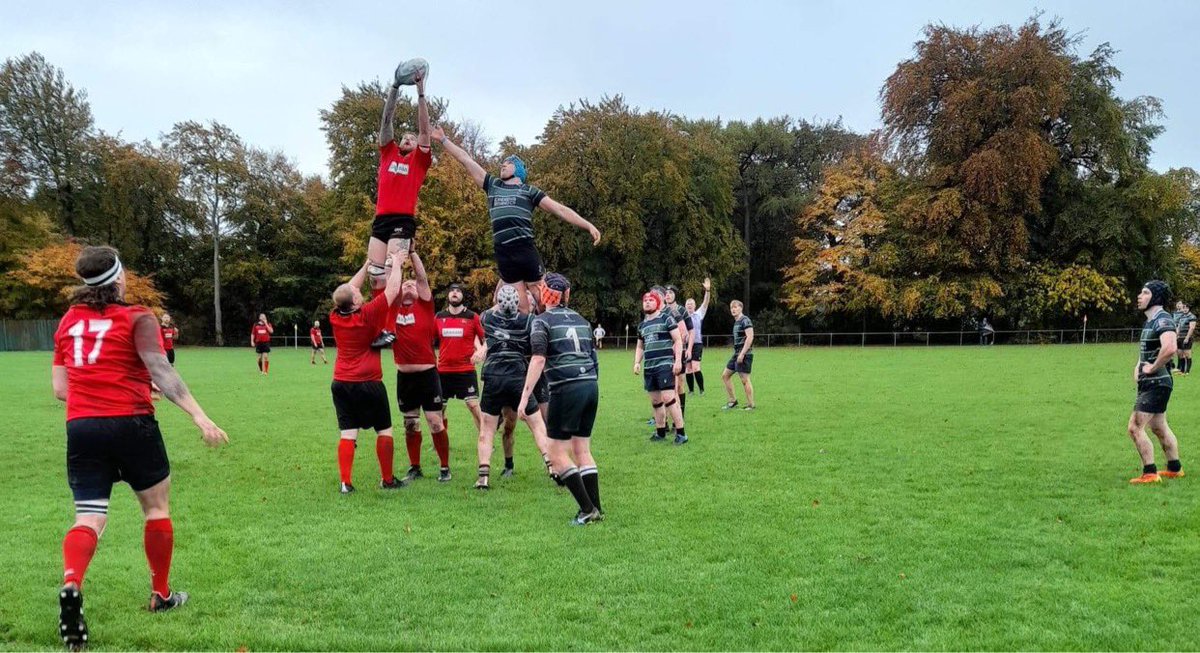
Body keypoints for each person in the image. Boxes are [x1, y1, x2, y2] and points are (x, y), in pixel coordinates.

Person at [51, 246, 229, 650]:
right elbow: (161, 369)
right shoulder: (137, 315)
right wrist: (200, 417)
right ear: (117, 278)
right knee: (156, 509)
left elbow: (61, 389)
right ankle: (161, 595)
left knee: (89, 516)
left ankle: (72, 582)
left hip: (82, 428)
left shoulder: (67, 322)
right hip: (132, 424)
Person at [432, 125, 601, 307]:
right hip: (503, 252)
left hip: (524, 249)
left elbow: (559, 210)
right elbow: (465, 159)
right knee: (520, 305)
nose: (502, 164)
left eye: (508, 162)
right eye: (502, 162)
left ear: (519, 169)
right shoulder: (493, 185)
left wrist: (588, 225)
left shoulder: (528, 191)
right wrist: (444, 140)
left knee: (539, 294)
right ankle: (525, 333)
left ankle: (550, 327)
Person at [519, 273, 602, 526]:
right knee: (581, 449)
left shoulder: (541, 321)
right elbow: (593, 359)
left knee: (555, 453)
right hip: (590, 386)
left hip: (566, 389)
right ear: (566, 295)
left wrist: (524, 399)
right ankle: (596, 509)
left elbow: (538, 359)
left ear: (545, 294)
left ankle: (586, 509)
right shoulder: (582, 320)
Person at [329, 253, 407, 494]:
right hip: (368, 382)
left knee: (347, 432)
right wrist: (398, 264)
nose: (359, 292)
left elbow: (348, 288)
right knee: (384, 429)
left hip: (341, 382)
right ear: (354, 302)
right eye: (357, 294)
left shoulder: (334, 316)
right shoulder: (366, 314)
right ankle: (387, 480)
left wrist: (366, 265)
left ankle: (345, 483)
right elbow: (393, 290)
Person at [474, 285, 553, 490]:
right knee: (536, 424)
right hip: (517, 376)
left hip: (492, 377)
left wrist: (503, 285)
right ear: (518, 303)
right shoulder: (528, 321)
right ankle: (551, 465)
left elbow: (491, 310)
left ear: (498, 302)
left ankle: (483, 476)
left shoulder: (487, 318)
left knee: (487, 429)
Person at [389, 250, 451, 482]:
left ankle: (445, 467)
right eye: (405, 284)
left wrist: (413, 253)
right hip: (404, 377)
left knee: (435, 422)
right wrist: (395, 262)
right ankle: (415, 467)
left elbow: (422, 279)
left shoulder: (425, 307)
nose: (409, 286)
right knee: (410, 424)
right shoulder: (392, 308)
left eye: (412, 285)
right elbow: (391, 283)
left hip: (427, 374)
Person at [368, 65, 430, 290]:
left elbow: (424, 131)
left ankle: (390, 324)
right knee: (375, 276)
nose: (407, 138)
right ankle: (379, 318)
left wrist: (420, 93)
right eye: (404, 136)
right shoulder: (388, 152)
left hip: (402, 220)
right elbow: (386, 121)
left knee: (392, 267)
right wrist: (395, 87)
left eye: (411, 138)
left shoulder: (419, 161)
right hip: (381, 219)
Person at [1127, 281, 1185, 484]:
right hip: (1152, 383)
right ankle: (1174, 468)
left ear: (1156, 297)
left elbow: (1169, 348)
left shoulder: (1163, 320)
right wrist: (1138, 366)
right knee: (1159, 426)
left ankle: (1150, 473)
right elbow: (1148, 350)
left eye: (1145, 293)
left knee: (1135, 427)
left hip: (1157, 383)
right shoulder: (1151, 321)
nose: (1139, 296)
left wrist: (1151, 368)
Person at [634, 291, 687, 445]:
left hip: (664, 364)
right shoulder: (642, 325)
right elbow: (640, 346)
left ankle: (681, 433)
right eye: (645, 300)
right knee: (656, 401)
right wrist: (637, 362)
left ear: (657, 303)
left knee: (669, 398)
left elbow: (678, 340)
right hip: (649, 367)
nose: (647, 302)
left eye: (651, 300)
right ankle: (660, 432)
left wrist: (678, 361)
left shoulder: (666, 318)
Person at [435, 283, 485, 447]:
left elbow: (486, 341)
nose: (455, 293)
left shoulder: (472, 317)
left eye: (458, 291)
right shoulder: (439, 317)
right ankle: (441, 443)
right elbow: (428, 341)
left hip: (465, 370)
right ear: (448, 296)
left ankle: (485, 439)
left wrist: (480, 351)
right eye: (452, 291)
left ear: (463, 296)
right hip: (443, 371)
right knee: (439, 409)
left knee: (473, 405)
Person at [663, 284, 693, 418]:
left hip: (680, 351)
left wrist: (689, 349)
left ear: (675, 295)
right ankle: (665, 416)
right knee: (667, 385)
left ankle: (680, 414)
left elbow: (690, 331)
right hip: (665, 352)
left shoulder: (681, 310)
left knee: (679, 384)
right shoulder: (661, 311)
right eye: (666, 293)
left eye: (670, 293)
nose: (668, 295)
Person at [722, 300, 756, 410]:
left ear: (741, 308)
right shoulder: (736, 322)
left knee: (744, 379)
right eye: (731, 307)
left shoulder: (745, 320)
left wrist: (742, 354)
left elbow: (750, 337)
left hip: (744, 354)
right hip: (736, 354)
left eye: (735, 307)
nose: (733, 309)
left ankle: (751, 405)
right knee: (725, 376)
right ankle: (733, 401)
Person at [685, 277, 712, 395]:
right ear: (685, 306)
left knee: (696, 367)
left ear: (695, 305)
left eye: (691, 303)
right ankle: (691, 391)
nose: (689, 305)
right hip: (686, 345)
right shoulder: (682, 317)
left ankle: (701, 389)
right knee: (688, 368)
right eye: (688, 304)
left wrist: (707, 291)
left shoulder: (699, 314)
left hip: (697, 344)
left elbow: (706, 303)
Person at [1174, 300, 1196, 375]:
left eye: (1186, 308)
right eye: (1184, 307)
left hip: (1187, 338)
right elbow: (1179, 327)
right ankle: (1182, 370)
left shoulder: (1192, 316)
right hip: (1180, 338)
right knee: (1180, 354)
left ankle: (1187, 371)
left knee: (1187, 354)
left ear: (1189, 308)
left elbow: (1191, 328)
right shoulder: (1181, 316)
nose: (1185, 309)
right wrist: (1176, 335)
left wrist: (1187, 337)